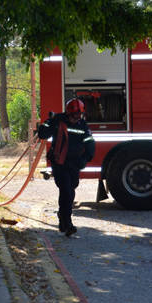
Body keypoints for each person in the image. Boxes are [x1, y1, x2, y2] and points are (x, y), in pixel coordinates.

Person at [37, 98, 95, 237]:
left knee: (71, 189)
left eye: (79, 115)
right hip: (60, 163)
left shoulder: (82, 125)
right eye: (75, 115)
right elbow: (42, 134)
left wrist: (86, 159)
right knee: (66, 191)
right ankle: (67, 222)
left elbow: (89, 142)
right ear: (69, 113)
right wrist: (48, 122)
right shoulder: (58, 121)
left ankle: (63, 218)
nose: (77, 118)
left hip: (74, 164)